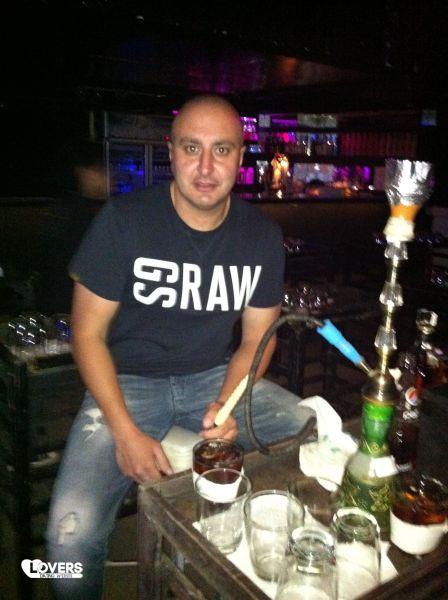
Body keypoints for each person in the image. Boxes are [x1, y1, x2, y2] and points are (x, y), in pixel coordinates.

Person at [46, 94, 312, 598]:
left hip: (211, 377)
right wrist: (124, 431)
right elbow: (87, 334)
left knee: (316, 432)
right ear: (171, 152)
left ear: (240, 156)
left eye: (222, 150)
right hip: (127, 381)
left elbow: (257, 339)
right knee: (67, 540)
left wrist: (228, 403)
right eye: (192, 148)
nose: (206, 167)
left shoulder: (261, 236)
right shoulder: (124, 220)